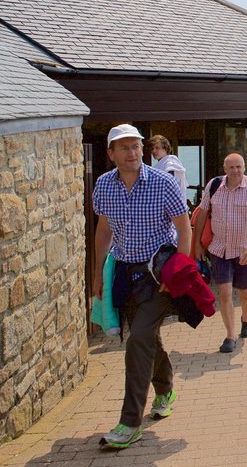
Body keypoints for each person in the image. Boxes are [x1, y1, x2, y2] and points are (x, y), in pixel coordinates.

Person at [92, 123, 192, 449]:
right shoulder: (104, 186)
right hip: (124, 274)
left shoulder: (163, 183)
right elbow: (104, 230)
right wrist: (96, 275)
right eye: (124, 147)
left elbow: (184, 227)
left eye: (136, 146)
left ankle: (129, 422)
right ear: (111, 154)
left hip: (159, 274)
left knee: (137, 340)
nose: (132, 152)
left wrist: (179, 272)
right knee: (146, 337)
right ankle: (165, 389)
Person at [193, 153, 247, 353]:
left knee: (245, 293)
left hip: (243, 251)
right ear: (225, 169)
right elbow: (202, 213)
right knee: (225, 292)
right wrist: (198, 244)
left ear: (244, 167)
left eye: (239, 167)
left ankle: (246, 317)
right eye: (231, 167)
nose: (235, 171)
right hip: (219, 249)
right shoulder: (214, 185)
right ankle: (230, 334)